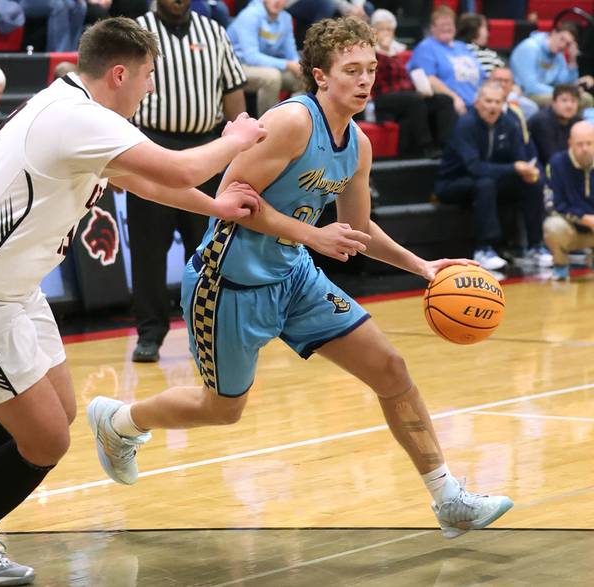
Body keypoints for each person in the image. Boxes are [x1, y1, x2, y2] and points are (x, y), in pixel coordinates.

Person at [88, 16, 514, 542]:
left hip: (294, 277)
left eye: (371, 70)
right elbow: (234, 197)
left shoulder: (358, 145)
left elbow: (357, 227)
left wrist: (423, 268)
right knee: (223, 409)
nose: (364, 81)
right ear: (320, 76)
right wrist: (312, 236)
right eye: (351, 70)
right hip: (230, 283)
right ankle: (120, 422)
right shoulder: (291, 122)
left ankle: (448, 498)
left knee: (391, 369)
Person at [0, 17, 265, 586]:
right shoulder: (76, 118)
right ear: (121, 73)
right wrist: (237, 138)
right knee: (46, 438)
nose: (151, 88)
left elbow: (143, 182)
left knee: (55, 411)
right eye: (149, 77)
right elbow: (178, 166)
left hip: (10, 285)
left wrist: (217, 208)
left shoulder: (77, 108)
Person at [127, 0, 248, 363]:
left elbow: (233, 93)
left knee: (209, 249)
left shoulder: (215, 31)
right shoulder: (136, 29)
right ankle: (150, 334)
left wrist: (239, 153)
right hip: (151, 148)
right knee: (148, 251)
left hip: (206, 149)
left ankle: (208, 331)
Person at [435, 80, 550, 271]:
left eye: (498, 102)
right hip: (453, 182)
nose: (493, 107)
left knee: (533, 184)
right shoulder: (466, 124)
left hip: (491, 181)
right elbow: (475, 168)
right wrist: (515, 168)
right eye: (488, 101)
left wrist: (530, 172)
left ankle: (535, 246)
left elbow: (521, 159)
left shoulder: (509, 124)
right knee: (485, 183)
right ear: (477, 102)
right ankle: (484, 248)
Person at [370, 8, 455, 158]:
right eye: (381, 29)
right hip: (383, 96)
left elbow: (404, 77)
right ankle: (426, 146)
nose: (386, 33)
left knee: (443, 100)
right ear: (373, 31)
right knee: (414, 99)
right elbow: (375, 76)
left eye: (389, 29)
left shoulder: (395, 51)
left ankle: (447, 146)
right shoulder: (371, 52)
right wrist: (382, 50)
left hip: (405, 95)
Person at [228, 0, 304, 117]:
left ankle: (290, 118)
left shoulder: (286, 18)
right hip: (237, 67)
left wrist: (297, 65)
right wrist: (287, 64)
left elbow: (291, 54)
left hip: (265, 66)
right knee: (272, 78)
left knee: (304, 78)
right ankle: (268, 128)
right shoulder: (250, 15)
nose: (277, 2)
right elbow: (251, 57)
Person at [407, 5, 485, 115]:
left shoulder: (461, 46)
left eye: (449, 24)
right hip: (451, 106)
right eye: (442, 24)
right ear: (432, 28)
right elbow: (429, 79)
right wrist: (454, 98)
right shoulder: (426, 47)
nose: (446, 28)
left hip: (478, 104)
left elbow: (482, 75)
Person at [543, 120, 594, 281]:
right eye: (580, 144)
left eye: (589, 143)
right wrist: (584, 218)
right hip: (570, 228)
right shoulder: (556, 164)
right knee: (552, 226)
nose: (585, 149)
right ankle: (561, 265)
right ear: (570, 143)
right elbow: (552, 204)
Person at [510, 21, 594, 109]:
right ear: (553, 33)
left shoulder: (558, 54)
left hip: (550, 93)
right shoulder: (530, 48)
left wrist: (572, 61)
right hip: (526, 94)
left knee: (586, 99)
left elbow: (564, 82)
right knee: (570, 102)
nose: (563, 45)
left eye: (568, 44)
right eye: (562, 39)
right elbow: (530, 86)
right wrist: (567, 92)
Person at [528, 84, 581, 170]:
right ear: (553, 102)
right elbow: (551, 157)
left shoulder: (577, 121)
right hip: (539, 169)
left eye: (573, 101)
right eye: (564, 100)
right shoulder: (542, 121)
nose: (569, 105)